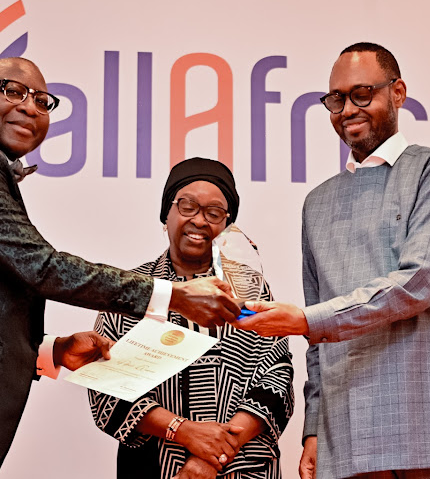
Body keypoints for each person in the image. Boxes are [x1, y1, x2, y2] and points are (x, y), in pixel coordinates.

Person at [0, 57, 242, 478]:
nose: (31, 107)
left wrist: (54, 351)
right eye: (12, 91)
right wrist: (171, 294)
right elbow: (40, 266)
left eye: (42, 101)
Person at [235, 43, 430, 478]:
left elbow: (417, 283)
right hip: (348, 437)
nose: (347, 109)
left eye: (361, 93)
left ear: (398, 92)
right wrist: (313, 428)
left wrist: (304, 320)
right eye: (336, 99)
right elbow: (316, 341)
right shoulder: (316, 204)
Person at [90, 157, 294, 479]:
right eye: (187, 206)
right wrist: (184, 432)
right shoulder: (131, 291)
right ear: (166, 214)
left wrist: (213, 455)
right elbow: (108, 389)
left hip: (244, 468)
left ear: (226, 226)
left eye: (214, 213)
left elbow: (276, 377)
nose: (200, 221)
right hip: (153, 467)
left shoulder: (251, 288)